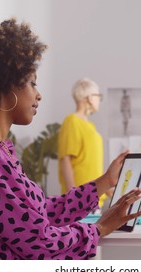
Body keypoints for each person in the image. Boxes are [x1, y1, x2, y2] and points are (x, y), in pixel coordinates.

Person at [0, 19, 141, 260]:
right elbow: (37, 242)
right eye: (32, 83)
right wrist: (99, 228)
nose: (38, 95)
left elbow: (42, 212)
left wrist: (105, 181)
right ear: (5, 85)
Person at [58, 78, 110, 209]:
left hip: (95, 200)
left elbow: (93, 164)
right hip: (80, 202)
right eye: (98, 96)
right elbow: (65, 160)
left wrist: (109, 189)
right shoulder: (72, 121)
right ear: (90, 97)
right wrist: (73, 198)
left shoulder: (90, 126)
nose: (99, 100)